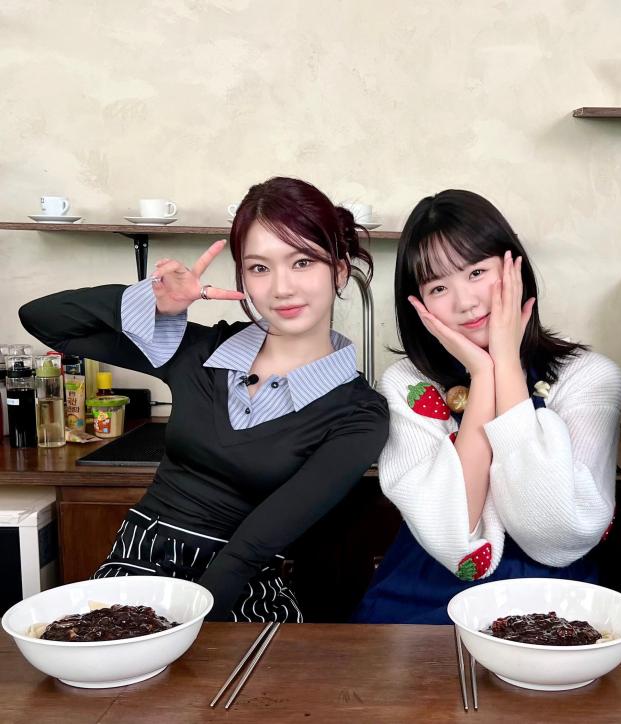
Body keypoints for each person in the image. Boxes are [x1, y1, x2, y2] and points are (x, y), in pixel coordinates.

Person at [19, 176, 389, 622]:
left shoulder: (360, 413)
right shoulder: (200, 350)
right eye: (259, 268)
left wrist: (180, 628)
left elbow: (253, 547)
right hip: (136, 569)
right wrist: (154, 302)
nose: (282, 288)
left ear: (340, 270)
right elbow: (44, 320)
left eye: (303, 261)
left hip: (241, 585)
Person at [354, 189, 621, 623]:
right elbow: (454, 535)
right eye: (438, 287)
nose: (465, 302)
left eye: (476, 272)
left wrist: (506, 364)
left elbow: (554, 535)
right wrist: (483, 376)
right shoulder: (407, 383)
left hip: (553, 603)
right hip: (422, 599)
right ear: (418, 304)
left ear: (514, 266)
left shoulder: (588, 376)